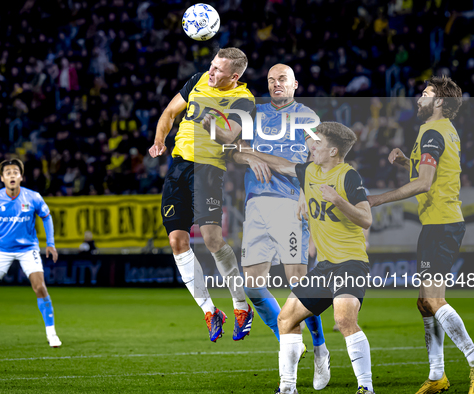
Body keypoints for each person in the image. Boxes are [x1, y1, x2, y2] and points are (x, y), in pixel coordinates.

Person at [367, 76, 474, 394]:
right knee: (425, 303)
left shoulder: (433, 132)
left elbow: (424, 183)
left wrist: (378, 199)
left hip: (442, 224)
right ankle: (437, 375)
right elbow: (436, 174)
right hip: (437, 223)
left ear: (438, 102)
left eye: (424, 94)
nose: (418, 98)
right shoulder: (441, 131)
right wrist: (405, 162)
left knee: (433, 300)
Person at [244, 122, 375, 394]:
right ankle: (288, 388)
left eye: (318, 144)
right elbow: (280, 164)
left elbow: (366, 218)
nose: (312, 147)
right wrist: (250, 151)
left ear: (334, 151)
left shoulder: (349, 176)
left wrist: (338, 200)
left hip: (351, 263)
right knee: (286, 319)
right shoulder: (309, 171)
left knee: (344, 321)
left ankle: (366, 388)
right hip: (326, 266)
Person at [228, 64, 330, 390]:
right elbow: (234, 152)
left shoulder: (308, 118)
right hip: (256, 205)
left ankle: (317, 349)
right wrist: (248, 157)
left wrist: (304, 191)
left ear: (295, 84)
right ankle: (290, 340)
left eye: (282, 79)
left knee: (299, 287)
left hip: (291, 207)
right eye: (271, 80)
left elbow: (316, 164)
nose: (276, 85)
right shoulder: (254, 115)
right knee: (253, 287)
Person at [148, 47, 255, 342]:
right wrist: (160, 141)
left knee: (211, 239)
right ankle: (210, 310)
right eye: (211, 66)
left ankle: (240, 305)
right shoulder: (196, 80)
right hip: (179, 167)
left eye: (218, 70)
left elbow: (231, 136)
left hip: (209, 170)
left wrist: (212, 128)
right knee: (176, 241)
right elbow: (169, 112)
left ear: (234, 76)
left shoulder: (244, 100)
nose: (211, 72)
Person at [0, 159, 61, 349]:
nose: (12, 175)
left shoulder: (33, 197)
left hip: (28, 249)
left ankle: (51, 333)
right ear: (2, 178)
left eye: (15, 172)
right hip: (1, 250)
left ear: (21, 176)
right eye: (8, 173)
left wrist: (50, 244)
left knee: (40, 288)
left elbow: (47, 217)